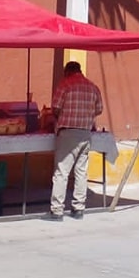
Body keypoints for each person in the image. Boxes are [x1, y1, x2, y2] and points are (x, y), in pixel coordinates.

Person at [47, 61, 103, 221]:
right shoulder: (93, 87)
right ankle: (78, 209)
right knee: (81, 172)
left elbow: (55, 107)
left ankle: (57, 210)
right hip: (85, 133)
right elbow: (99, 109)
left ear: (67, 72)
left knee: (61, 172)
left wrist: (61, 117)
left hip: (67, 132)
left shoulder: (65, 85)